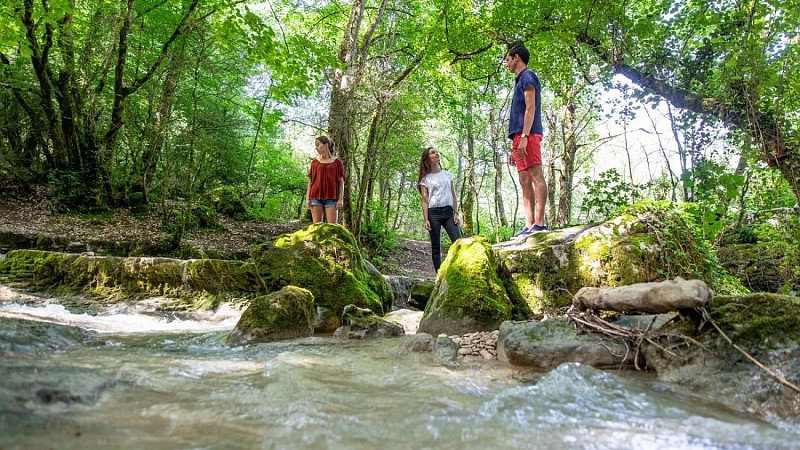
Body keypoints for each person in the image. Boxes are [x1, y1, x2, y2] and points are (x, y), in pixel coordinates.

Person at [504, 43, 548, 237]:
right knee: (523, 180)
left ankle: (540, 223)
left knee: (536, 176)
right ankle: (529, 224)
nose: (506, 64)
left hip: (528, 135)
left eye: (507, 59)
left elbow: (531, 108)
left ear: (516, 58)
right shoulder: (519, 80)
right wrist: (515, 142)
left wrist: (524, 136)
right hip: (518, 136)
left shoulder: (528, 76)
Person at [418, 147, 462, 272]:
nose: (436, 153)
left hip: (448, 213)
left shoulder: (447, 175)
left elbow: (453, 195)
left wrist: (456, 213)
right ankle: (439, 275)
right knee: (436, 246)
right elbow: (425, 201)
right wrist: (426, 219)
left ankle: (459, 270)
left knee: (458, 242)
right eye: (433, 152)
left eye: (436, 152)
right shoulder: (425, 179)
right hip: (433, 214)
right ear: (428, 158)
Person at [306, 136, 346, 224]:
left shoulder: (337, 162)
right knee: (317, 229)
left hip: (332, 198)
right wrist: (307, 199)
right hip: (315, 197)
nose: (316, 148)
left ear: (326, 145)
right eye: (315, 146)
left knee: (332, 228)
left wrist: (340, 199)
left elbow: (341, 182)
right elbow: (310, 182)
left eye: (318, 145)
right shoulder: (315, 163)